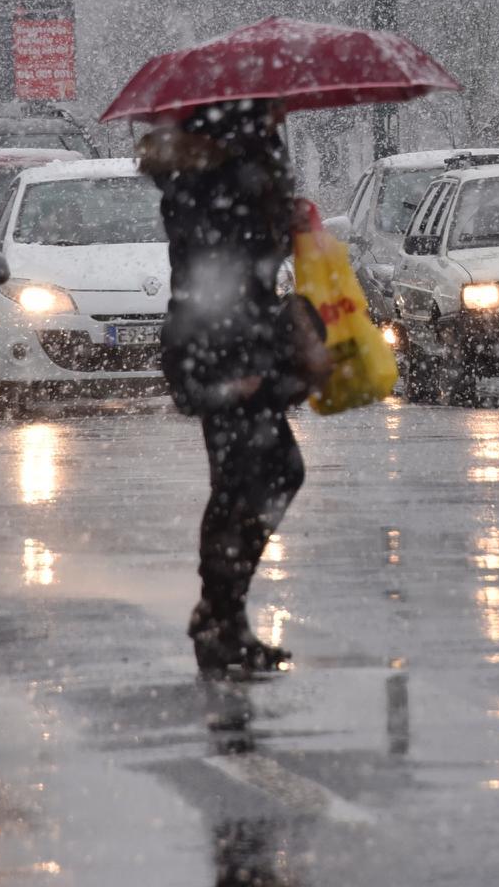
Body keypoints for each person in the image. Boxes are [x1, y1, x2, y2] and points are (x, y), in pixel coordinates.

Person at [137, 98, 329, 677]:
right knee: (255, 477)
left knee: (255, 477)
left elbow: (242, 257)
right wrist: (267, 217)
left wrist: (278, 220)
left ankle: (223, 616)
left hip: (233, 340)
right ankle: (219, 616)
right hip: (220, 344)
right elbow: (213, 265)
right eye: (276, 105)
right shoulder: (217, 174)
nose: (284, 111)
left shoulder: (233, 166)